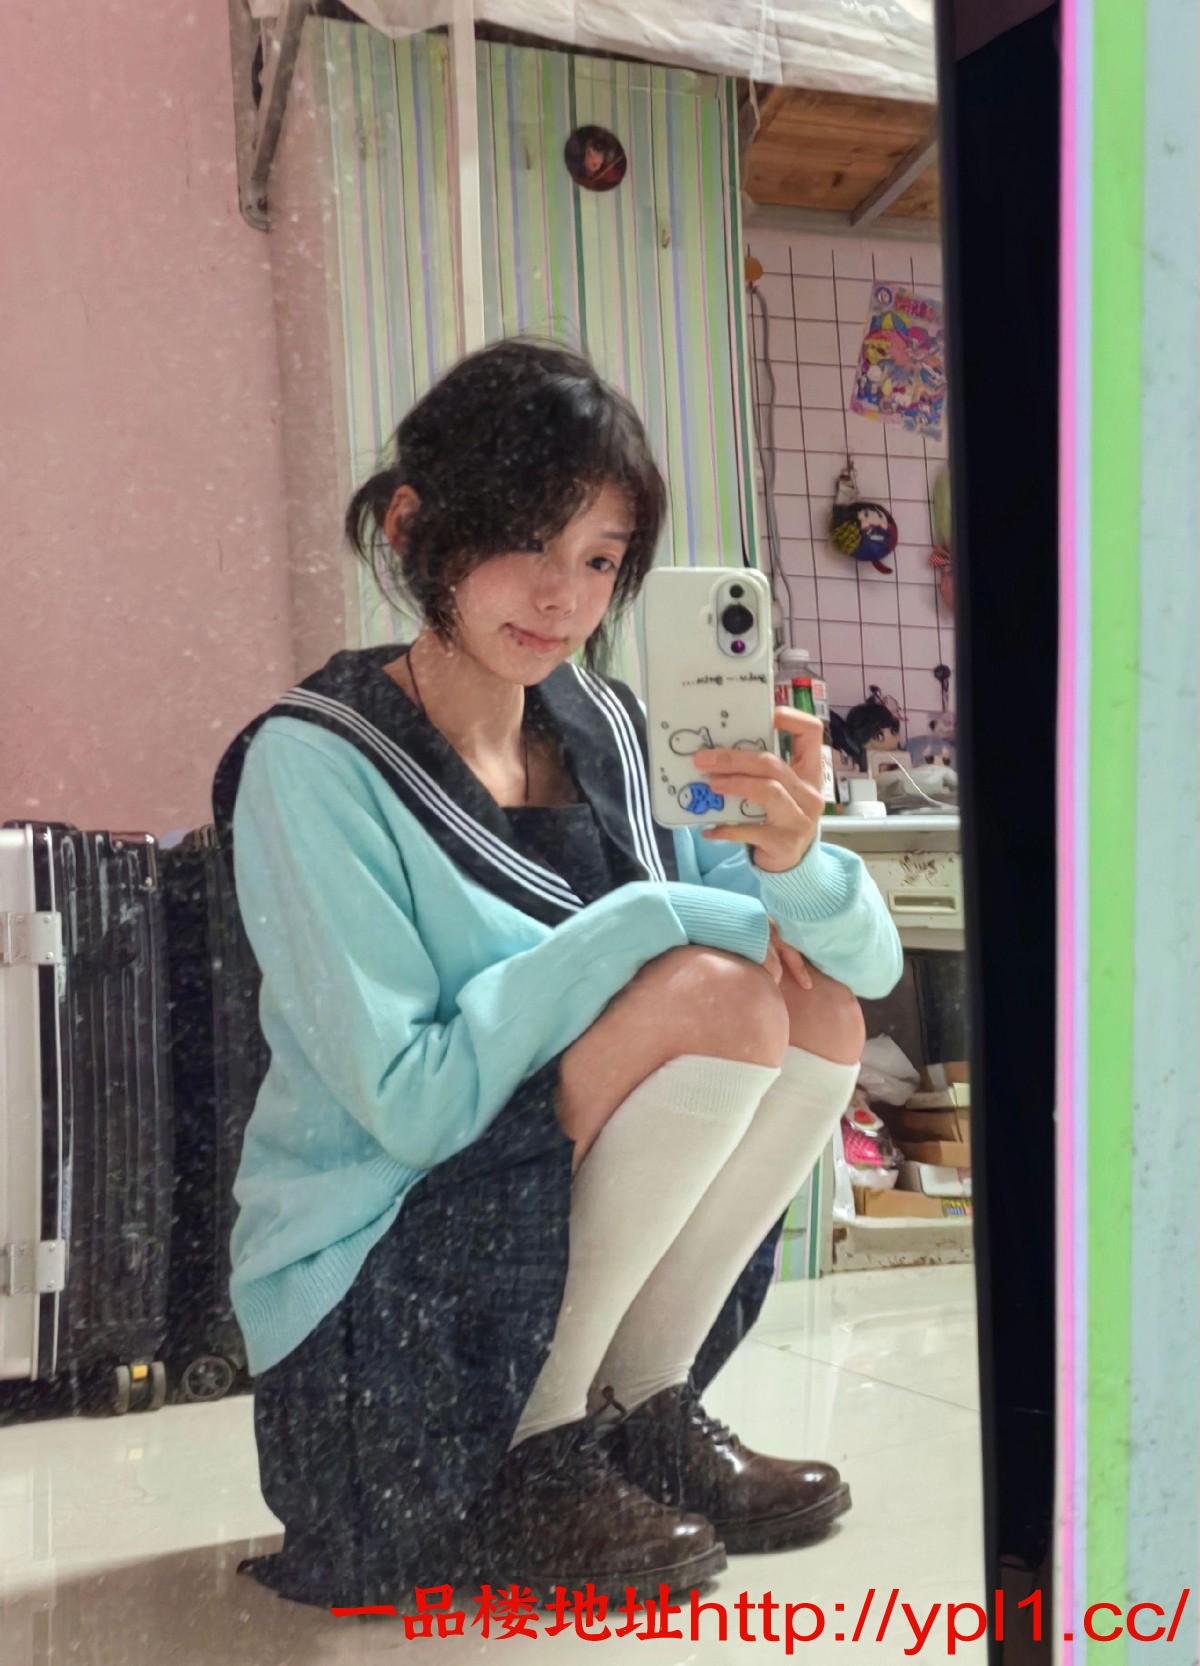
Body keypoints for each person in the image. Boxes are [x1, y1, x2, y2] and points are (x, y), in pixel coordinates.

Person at [212, 339, 903, 1611]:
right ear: (412, 527)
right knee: (713, 990)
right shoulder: (314, 763)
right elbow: (414, 1104)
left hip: (547, 1279)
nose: (560, 596)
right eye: (523, 540)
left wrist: (797, 859)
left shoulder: (619, 735)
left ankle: (639, 1409)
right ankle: (533, 1445)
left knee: (809, 1002)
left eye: (597, 560)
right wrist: (647, 920)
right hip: (388, 1338)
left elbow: (858, 971)